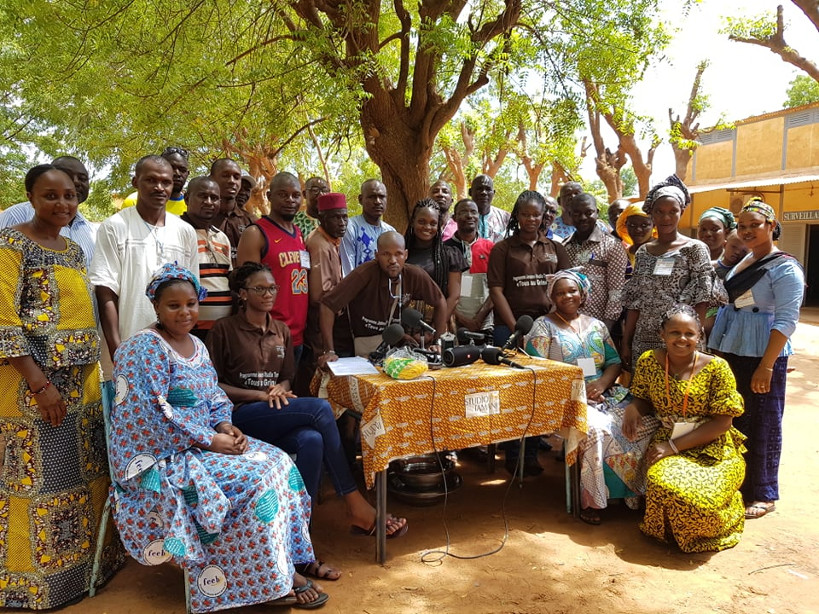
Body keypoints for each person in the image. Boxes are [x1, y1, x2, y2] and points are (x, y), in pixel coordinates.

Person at [110, 264, 329, 611]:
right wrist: (210, 441)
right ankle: (268, 580)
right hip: (161, 457)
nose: (185, 313)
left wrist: (225, 426)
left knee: (280, 463)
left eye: (191, 304)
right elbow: (150, 415)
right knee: (256, 480)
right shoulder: (143, 349)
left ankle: (282, 565)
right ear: (156, 306)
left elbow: (214, 397)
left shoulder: (197, 344)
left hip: (201, 443)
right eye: (174, 306)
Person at [207, 262, 408, 545]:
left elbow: (287, 378)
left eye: (272, 288)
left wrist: (280, 388)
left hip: (273, 412)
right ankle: (354, 502)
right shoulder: (224, 330)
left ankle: (301, 533)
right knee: (321, 409)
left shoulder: (281, 331)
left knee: (311, 439)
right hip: (240, 417)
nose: (268, 294)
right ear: (242, 294)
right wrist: (260, 395)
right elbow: (212, 385)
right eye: (259, 289)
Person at [0, 165, 122, 609]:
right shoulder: (11, 245)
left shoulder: (72, 250)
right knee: (38, 484)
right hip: (34, 389)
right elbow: (5, 322)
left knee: (84, 476)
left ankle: (85, 573)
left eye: (69, 196)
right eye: (50, 195)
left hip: (83, 388)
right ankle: (37, 585)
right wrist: (38, 383)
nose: (62, 204)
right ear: (30, 197)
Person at [524, 271, 658, 525]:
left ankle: (633, 494)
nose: (567, 296)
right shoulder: (542, 326)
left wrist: (603, 383)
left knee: (645, 422)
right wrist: (578, 394)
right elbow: (537, 370)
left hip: (604, 391)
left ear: (583, 294)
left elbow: (614, 361)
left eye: (572, 291)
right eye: (560, 292)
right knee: (595, 431)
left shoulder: (596, 325)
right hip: (563, 398)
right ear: (551, 296)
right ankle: (594, 499)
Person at [708, 199, 805, 520]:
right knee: (737, 418)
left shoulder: (785, 267)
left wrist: (766, 365)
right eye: (743, 226)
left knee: (764, 422)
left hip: (762, 354)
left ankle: (764, 492)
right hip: (733, 347)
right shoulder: (745, 261)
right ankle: (739, 483)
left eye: (755, 225)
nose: (748, 231)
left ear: (771, 227)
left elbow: (787, 320)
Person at [623, 305, 746, 552]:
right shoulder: (649, 361)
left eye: (689, 334)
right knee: (663, 482)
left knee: (704, 500)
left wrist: (672, 446)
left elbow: (723, 423)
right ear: (662, 335)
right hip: (668, 441)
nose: (682, 339)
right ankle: (667, 532)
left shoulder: (717, 368)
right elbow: (643, 398)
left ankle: (722, 517)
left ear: (699, 336)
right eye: (674, 333)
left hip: (712, 448)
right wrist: (634, 407)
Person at [90, 155, 198, 373]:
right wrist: (118, 350)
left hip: (173, 355)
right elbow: (105, 291)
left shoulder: (185, 232)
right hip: (127, 349)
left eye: (165, 182)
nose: (159, 188)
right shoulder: (115, 227)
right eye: (151, 180)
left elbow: (191, 295)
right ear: (135, 182)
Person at [488, 190, 569, 474]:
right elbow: (496, 291)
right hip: (510, 329)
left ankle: (532, 452)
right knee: (515, 393)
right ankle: (513, 453)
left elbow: (566, 286)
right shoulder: (503, 249)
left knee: (541, 391)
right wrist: (516, 329)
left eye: (537, 214)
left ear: (544, 215)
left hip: (548, 329)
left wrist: (552, 323)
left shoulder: (556, 248)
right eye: (526, 214)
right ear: (517, 216)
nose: (532, 219)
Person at [621, 175, 714, 371]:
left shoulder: (695, 249)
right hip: (644, 339)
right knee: (646, 395)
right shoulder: (644, 252)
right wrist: (626, 341)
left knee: (681, 395)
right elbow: (635, 300)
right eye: (659, 212)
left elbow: (702, 299)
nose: (666, 218)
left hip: (680, 341)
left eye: (673, 211)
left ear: (681, 212)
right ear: (651, 214)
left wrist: (692, 339)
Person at [319, 231, 447, 365]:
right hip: (350, 345)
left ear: (406, 255)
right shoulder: (364, 273)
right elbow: (327, 305)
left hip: (387, 345)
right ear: (376, 255)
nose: (392, 260)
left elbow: (440, 301)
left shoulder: (414, 275)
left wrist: (438, 342)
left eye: (398, 254)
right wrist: (329, 351)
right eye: (386, 254)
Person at [237, 171, 310, 364]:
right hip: (268, 336)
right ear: (269, 196)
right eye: (283, 194)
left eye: (295, 195)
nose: (290, 200)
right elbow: (245, 288)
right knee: (268, 394)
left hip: (297, 336)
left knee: (291, 393)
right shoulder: (256, 233)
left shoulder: (299, 233)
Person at [0, 155, 97, 267]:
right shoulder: (14, 217)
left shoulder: (91, 232)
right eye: (67, 175)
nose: (76, 182)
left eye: (82, 178)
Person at [563, 193, 628, 330]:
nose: (583, 218)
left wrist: (604, 330)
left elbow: (616, 293)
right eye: (577, 213)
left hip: (598, 326)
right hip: (567, 326)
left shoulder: (612, 246)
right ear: (570, 214)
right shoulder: (565, 246)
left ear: (597, 213)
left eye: (588, 212)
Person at [180, 176, 233, 340]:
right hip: (189, 329)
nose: (209, 202)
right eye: (203, 196)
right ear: (187, 198)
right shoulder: (176, 231)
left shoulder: (222, 237)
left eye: (214, 198)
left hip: (222, 329)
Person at [305, 192, 353, 361]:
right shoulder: (320, 245)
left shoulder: (333, 241)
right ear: (322, 218)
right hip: (322, 324)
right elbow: (320, 297)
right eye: (335, 218)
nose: (342, 223)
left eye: (344, 217)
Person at [404, 198, 468, 325]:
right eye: (422, 222)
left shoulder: (450, 254)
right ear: (412, 222)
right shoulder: (401, 252)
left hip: (439, 319)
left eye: (433, 223)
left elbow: (454, 297)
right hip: (405, 319)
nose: (427, 227)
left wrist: (435, 327)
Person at [444, 198, 495, 335]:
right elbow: (441, 292)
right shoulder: (443, 249)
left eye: (474, 212)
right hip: (453, 323)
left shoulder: (491, 248)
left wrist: (479, 319)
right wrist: (462, 319)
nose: (469, 216)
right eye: (463, 212)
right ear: (454, 218)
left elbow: (497, 289)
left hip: (485, 323)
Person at [340, 179, 395, 275]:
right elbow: (347, 269)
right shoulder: (351, 227)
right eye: (372, 197)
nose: (378, 201)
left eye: (382, 197)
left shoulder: (390, 232)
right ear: (361, 199)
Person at [120, 147, 190, 216]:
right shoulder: (134, 201)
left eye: (182, 170)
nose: (177, 173)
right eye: (172, 168)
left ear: (188, 174)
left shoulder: (193, 205)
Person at [210, 158, 256, 265]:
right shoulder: (201, 217)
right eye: (225, 175)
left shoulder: (251, 221)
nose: (231, 181)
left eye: (236, 177)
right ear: (211, 179)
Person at [468, 174, 510, 243]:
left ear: (493, 193)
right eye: (479, 189)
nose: (484, 193)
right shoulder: (459, 218)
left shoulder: (506, 218)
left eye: (488, 189)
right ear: (470, 192)